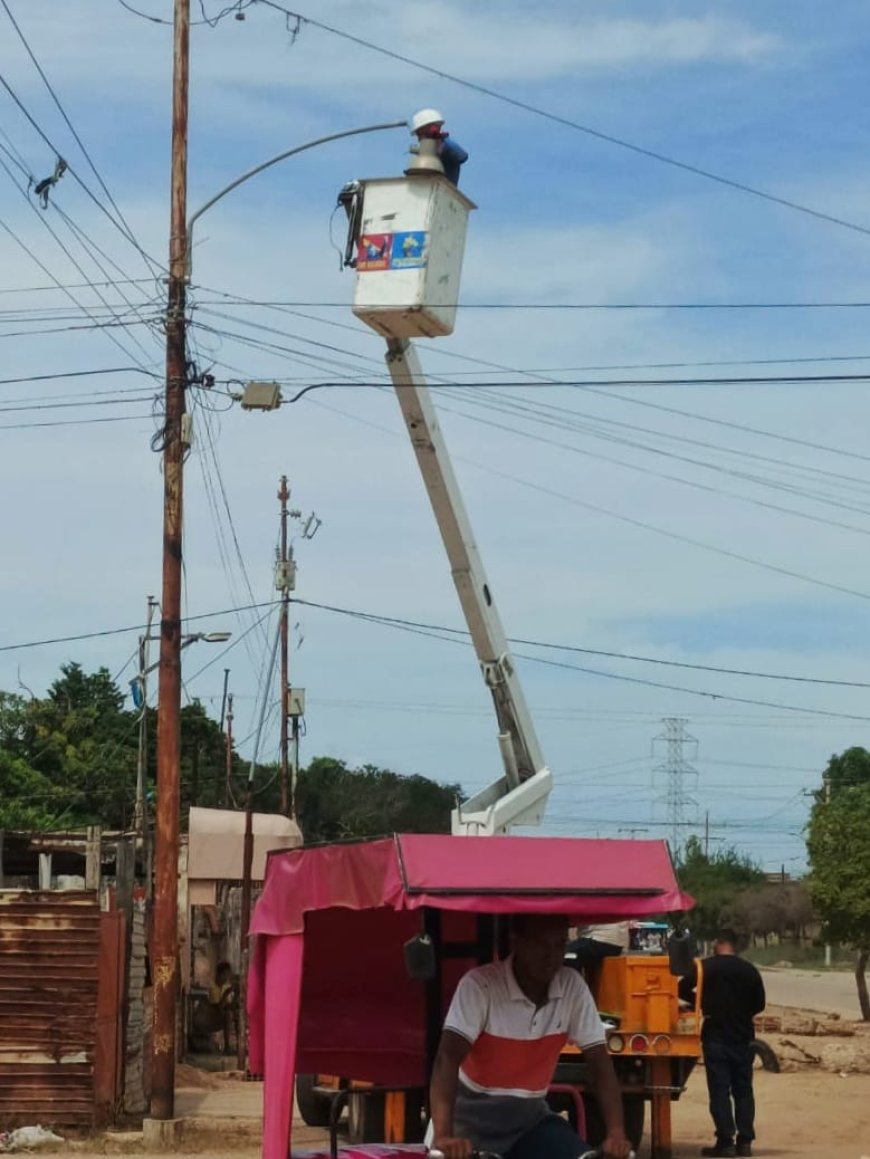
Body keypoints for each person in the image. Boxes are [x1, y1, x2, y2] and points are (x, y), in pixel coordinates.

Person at [429, 913, 632, 1159]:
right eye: (540, 944)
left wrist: (616, 1133)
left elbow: (600, 1062)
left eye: (559, 945)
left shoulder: (572, 987)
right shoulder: (480, 985)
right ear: (516, 941)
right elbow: (447, 1059)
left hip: (529, 1123)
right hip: (467, 1124)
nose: (551, 956)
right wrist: (443, 1136)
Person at [683, 930, 765, 1158]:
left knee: (720, 1091)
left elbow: (681, 988)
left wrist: (701, 1003)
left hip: (715, 1037)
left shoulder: (704, 967)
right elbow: (760, 1003)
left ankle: (725, 1141)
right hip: (743, 1037)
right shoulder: (749, 970)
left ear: (717, 943)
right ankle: (745, 1141)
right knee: (744, 1091)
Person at [411, 108, 468, 186]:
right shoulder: (426, 154)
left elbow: (462, 156)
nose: (418, 139)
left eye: (420, 134)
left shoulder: (447, 149)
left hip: (445, 192)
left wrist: (442, 137)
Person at [192, 960, 238, 1055]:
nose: (226, 978)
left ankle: (235, 1045)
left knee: (233, 1013)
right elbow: (217, 1006)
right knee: (227, 1014)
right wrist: (226, 995)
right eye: (225, 974)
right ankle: (227, 1047)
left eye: (228, 975)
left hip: (219, 1016)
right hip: (208, 1017)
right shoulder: (210, 986)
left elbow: (227, 1006)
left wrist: (236, 995)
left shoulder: (226, 986)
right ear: (219, 974)